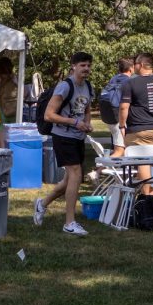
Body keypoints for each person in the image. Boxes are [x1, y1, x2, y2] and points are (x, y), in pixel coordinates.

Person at [34, 52, 95, 235]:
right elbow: (49, 115)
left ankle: (42, 204)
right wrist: (74, 123)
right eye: (82, 65)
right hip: (62, 136)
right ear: (73, 67)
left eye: (88, 65)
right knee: (76, 173)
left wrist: (87, 123)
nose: (86, 69)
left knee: (69, 180)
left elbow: (87, 108)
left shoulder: (88, 87)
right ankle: (69, 223)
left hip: (78, 137)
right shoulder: (64, 86)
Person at [118, 53, 153, 195]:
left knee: (142, 160)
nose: (133, 67)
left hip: (138, 131)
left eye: (135, 64)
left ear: (141, 65)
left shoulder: (130, 83)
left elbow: (124, 107)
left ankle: (147, 196)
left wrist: (122, 125)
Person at [100, 57, 134, 157]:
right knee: (120, 151)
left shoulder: (113, 79)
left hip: (110, 118)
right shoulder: (129, 81)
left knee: (116, 148)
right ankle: (97, 171)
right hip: (120, 120)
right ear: (131, 69)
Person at [0, 57, 18, 147]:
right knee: (13, 133)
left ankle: (3, 152)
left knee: (0, 133)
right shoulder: (15, 77)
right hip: (14, 107)